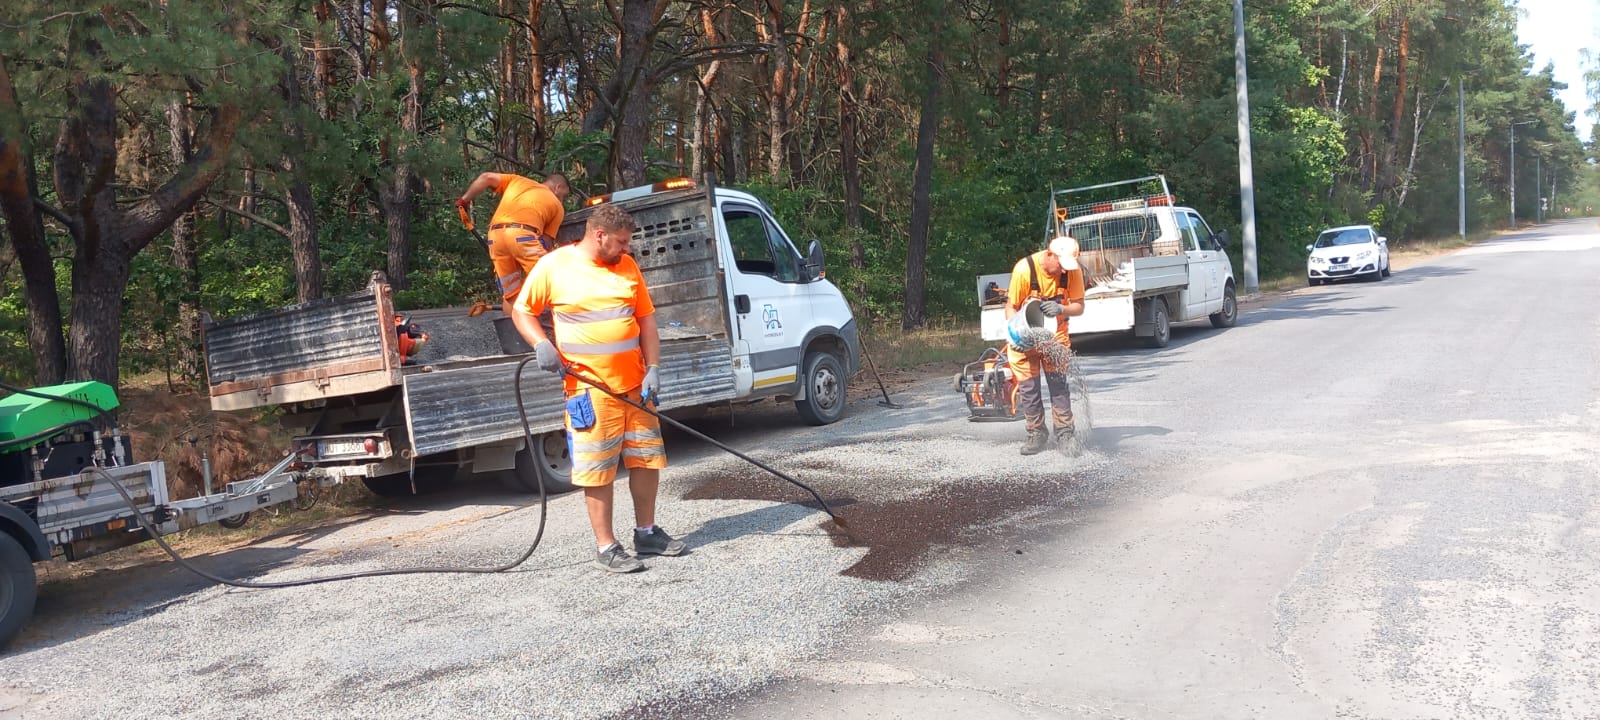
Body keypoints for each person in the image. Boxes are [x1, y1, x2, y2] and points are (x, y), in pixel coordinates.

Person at [512, 203, 684, 574]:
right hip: (588, 390)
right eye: (621, 242)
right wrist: (541, 343)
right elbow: (522, 311)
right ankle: (607, 546)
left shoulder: (628, 267)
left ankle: (647, 532)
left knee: (646, 461)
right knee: (598, 469)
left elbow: (646, 321)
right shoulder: (554, 266)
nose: (626, 249)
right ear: (599, 235)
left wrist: (653, 368)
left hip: (636, 388)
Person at [1004, 235, 1086, 456]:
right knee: (1029, 388)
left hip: (1056, 335)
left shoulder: (1072, 272)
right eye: (1060, 265)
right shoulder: (1024, 269)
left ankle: (1065, 433)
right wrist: (1016, 333)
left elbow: (1079, 306)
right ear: (1050, 254)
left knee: (1059, 385)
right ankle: (1036, 433)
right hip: (1025, 336)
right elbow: (1011, 307)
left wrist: (1062, 309)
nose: (1063, 271)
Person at [456, 172, 571, 315]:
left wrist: (464, 201)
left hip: (495, 237)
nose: (561, 200)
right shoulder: (557, 207)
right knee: (551, 281)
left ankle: (512, 333)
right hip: (523, 236)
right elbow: (545, 242)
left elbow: (486, 178)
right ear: (557, 187)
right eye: (563, 196)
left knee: (511, 294)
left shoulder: (517, 181)